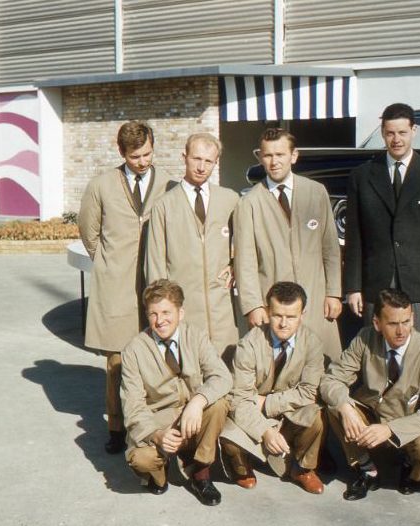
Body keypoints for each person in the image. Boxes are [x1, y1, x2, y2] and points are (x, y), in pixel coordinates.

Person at [79, 121, 174, 454]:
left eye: (148, 153)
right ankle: (116, 428)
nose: (143, 161)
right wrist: (108, 265)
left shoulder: (169, 184)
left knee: (158, 360)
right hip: (116, 289)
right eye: (135, 156)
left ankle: (155, 425)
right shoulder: (101, 185)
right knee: (117, 363)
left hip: (155, 288)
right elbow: (89, 233)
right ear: (122, 153)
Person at [320, 288, 420, 500]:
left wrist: (391, 429)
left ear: (413, 318)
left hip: (408, 424)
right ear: (377, 323)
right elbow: (331, 379)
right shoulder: (365, 338)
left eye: (406, 322)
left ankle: (410, 465)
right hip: (373, 415)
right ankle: (367, 469)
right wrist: (344, 406)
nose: (401, 331)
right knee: (335, 406)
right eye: (392, 323)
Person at [233, 128, 342, 363]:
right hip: (275, 306)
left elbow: (330, 248)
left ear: (294, 156)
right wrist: (253, 306)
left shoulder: (316, 192)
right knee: (279, 368)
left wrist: (333, 292)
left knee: (324, 365)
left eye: (280, 154)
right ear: (260, 158)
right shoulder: (249, 203)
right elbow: (245, 261)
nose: (274, 162)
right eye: (268, 155)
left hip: (315, 299)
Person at [120, 279, 232, 505]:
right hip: (159, 420)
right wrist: (156, 434)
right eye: (153, 314)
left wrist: (198, 401)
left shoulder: (196, 336)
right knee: (141, 460)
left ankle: (200, 472)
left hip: (193, 415)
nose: (159, 320)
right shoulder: (134, 350)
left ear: (181, 313)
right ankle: (158, 476)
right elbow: (132, 406)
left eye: (166, 312)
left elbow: (223, 376)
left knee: (219, 404)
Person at [344, 102, 420, 333]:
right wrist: (353, 287)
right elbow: (354, 237)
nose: (396, 140)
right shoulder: (361, 176)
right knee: (375, 352)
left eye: (402, 132)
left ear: (414, 130)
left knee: (418, 354)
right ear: (382, 133)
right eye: (390, 133)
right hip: (376, 283)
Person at [220, 282, 326, 494]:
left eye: (291, 317)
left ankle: (303, 468)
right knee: (228, 436)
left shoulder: (312, 343)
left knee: (317, 417)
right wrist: (265, 431)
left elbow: (309, 392)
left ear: (302, 314)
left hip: (285, 412)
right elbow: (239, 400)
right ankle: (242, 465)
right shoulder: (248, 344)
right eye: (277, 316)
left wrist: (268, 402)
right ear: (268, 312)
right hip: (252, 412)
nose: (283, 324)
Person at [146, 132, 239, 360]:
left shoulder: (230, 200)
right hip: (185, 307)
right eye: (196, 159)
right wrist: (163, 312)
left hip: (222, 309)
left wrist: (236, 263)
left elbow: (248, 245)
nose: (201, 167)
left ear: (216, 163)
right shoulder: (164, 206)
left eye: (208, 161)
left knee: (227, 370)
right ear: (184, 157)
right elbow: (155, 262)